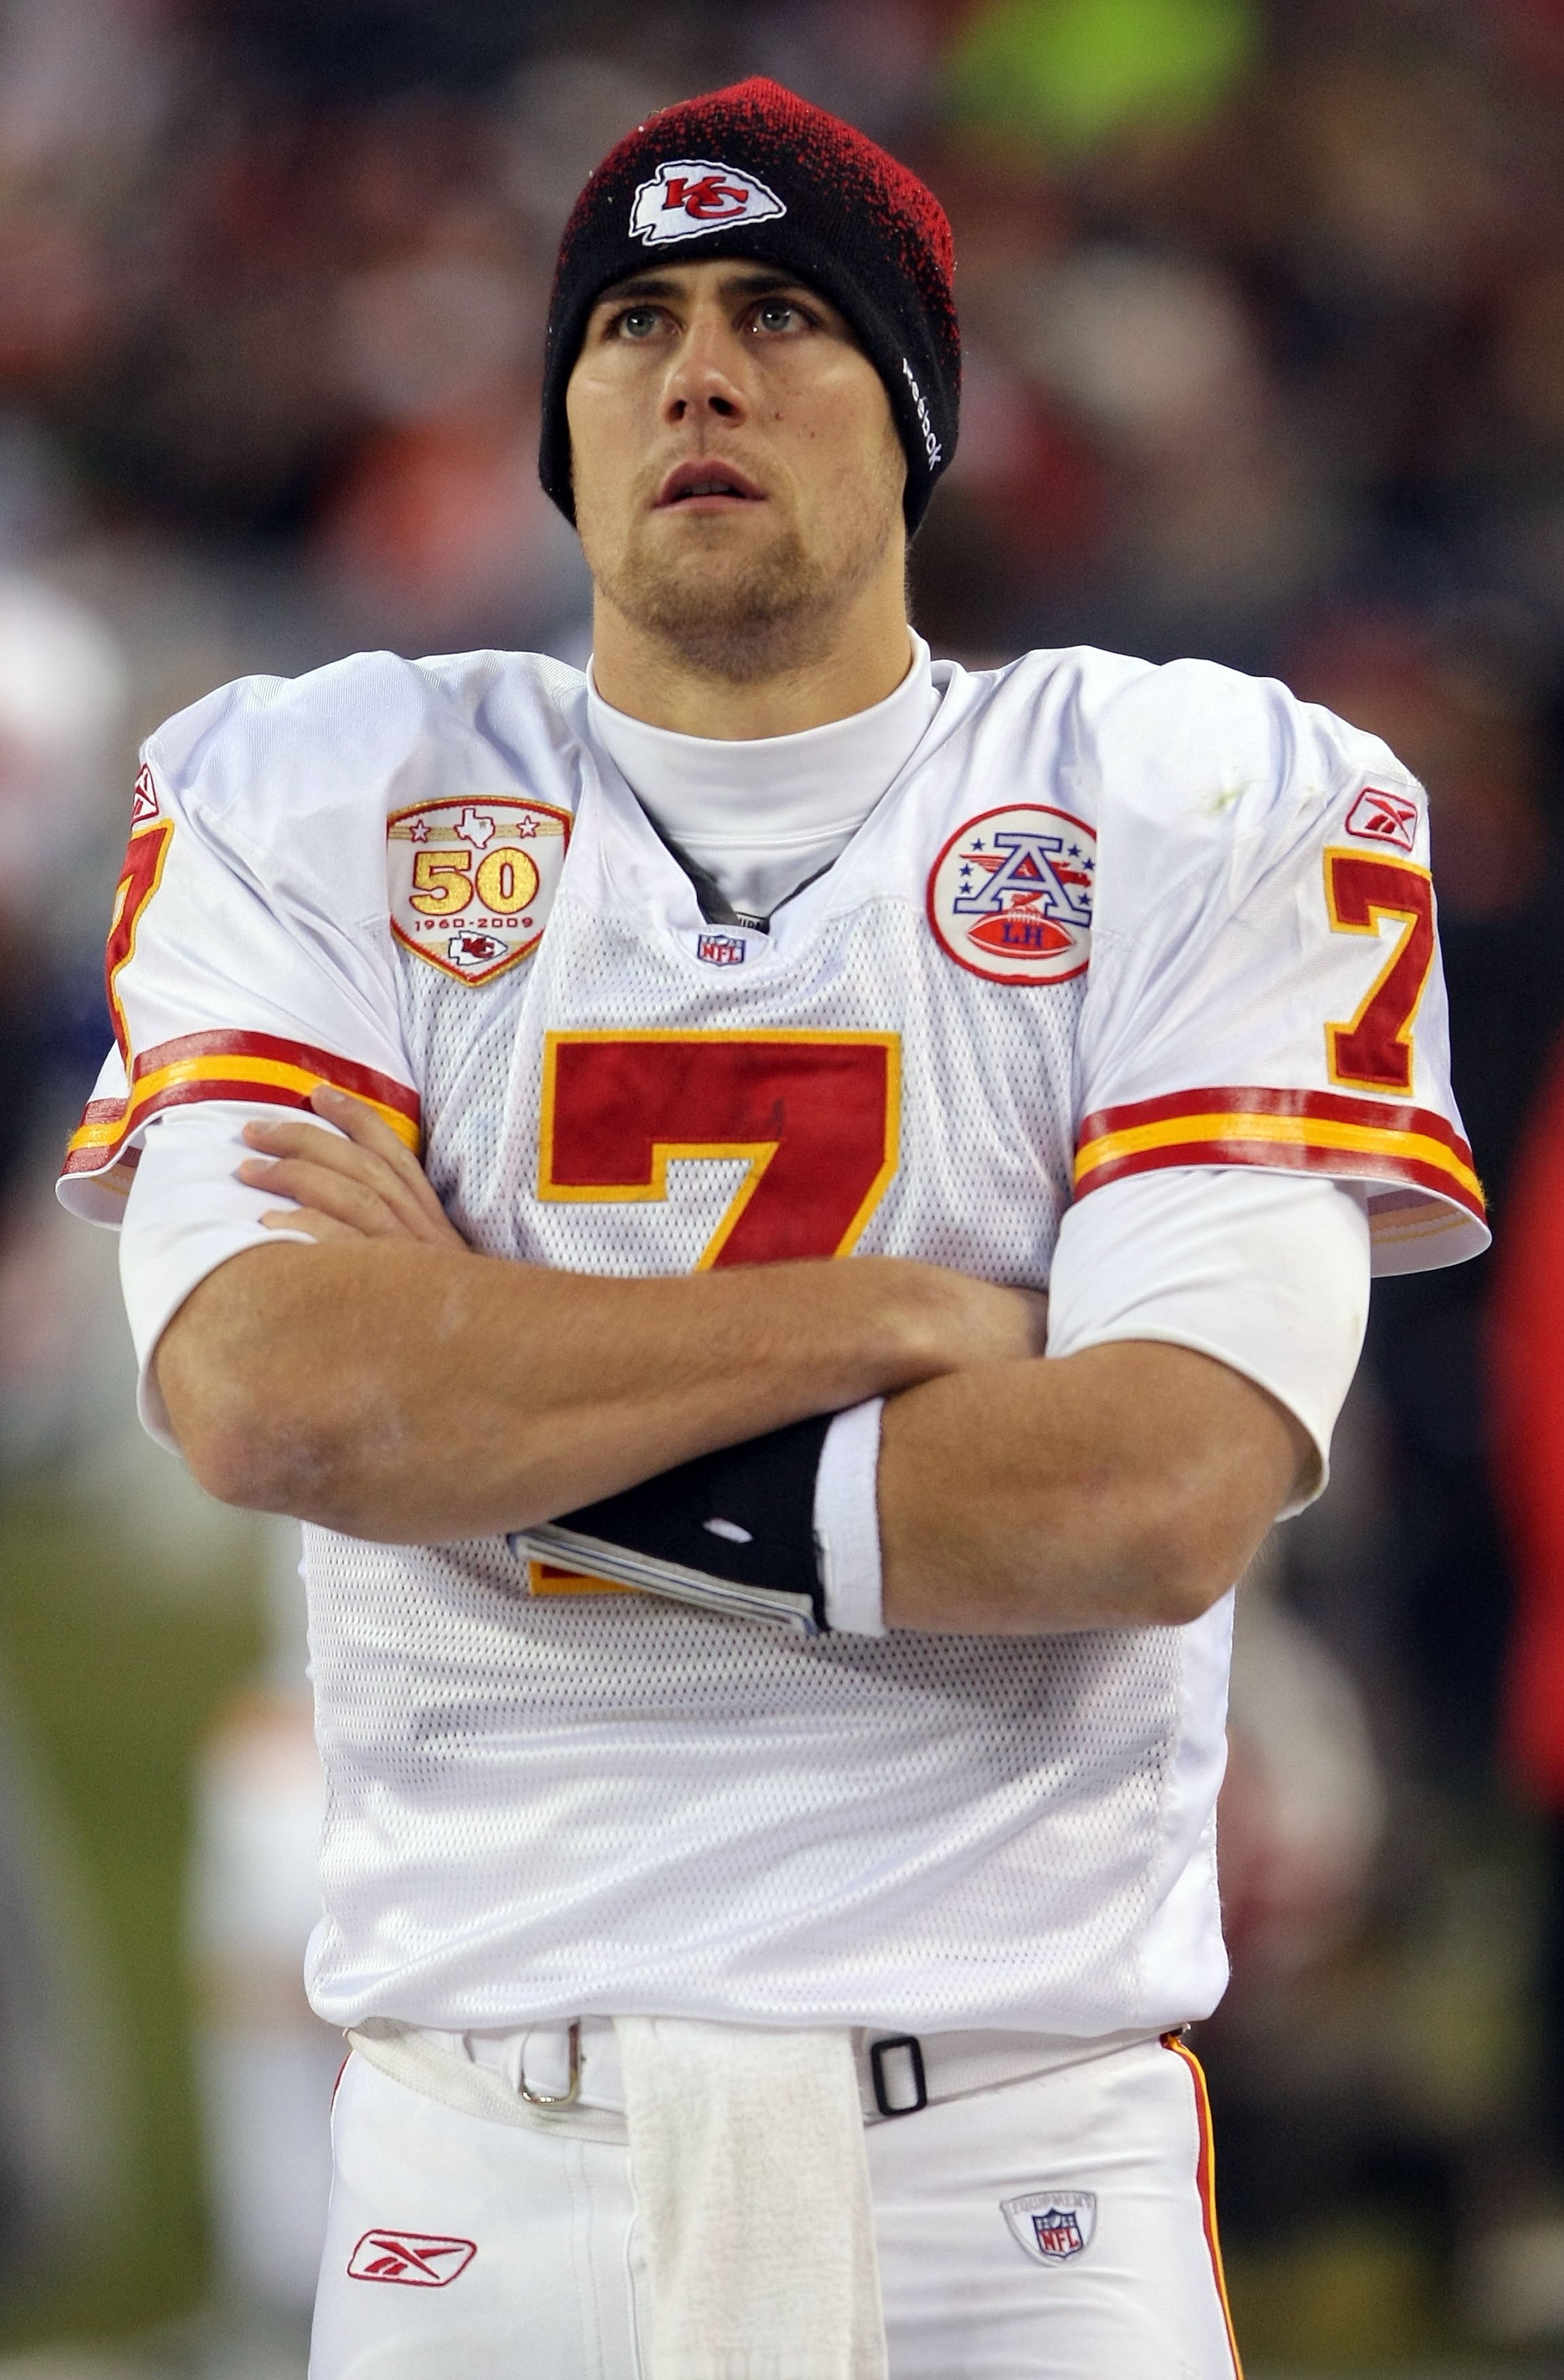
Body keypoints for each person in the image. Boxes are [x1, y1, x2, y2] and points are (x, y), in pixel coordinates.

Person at [58, 78, 1487, 2380]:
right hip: (483, 2163)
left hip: (1005, 2174)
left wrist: (478, 1401)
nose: (696, 371)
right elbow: (273, 1395)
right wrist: (915, 1316)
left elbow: (1139, 1495)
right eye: (628, 321)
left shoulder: (1191, 794)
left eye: (783, 315)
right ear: (566, 415)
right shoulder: (318, 787)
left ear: (917, 415)